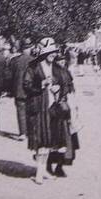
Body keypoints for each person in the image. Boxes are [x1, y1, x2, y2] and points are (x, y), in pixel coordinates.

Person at [23, 38, 79, 184]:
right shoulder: (33, 67)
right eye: (50, 52)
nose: (53, 55)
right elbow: (26, 85)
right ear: (43, 53)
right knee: (41, 141)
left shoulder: (57, 68)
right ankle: (39, 173)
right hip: (39, 108)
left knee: (50, 142)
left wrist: (59, 89)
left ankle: (44, 171)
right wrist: (41, 84)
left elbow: (66, 84)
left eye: (54, 52)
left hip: (54, 109)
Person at [7, 38, 35, 140]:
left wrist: (9, 90)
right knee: (31, 112)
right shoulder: (35, 60)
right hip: (32, 91)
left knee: (21, 111)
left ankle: (22, 133)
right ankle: (31, 132)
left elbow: (9, 77)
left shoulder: (14, 61)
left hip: (18, 90)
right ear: (30, 48)